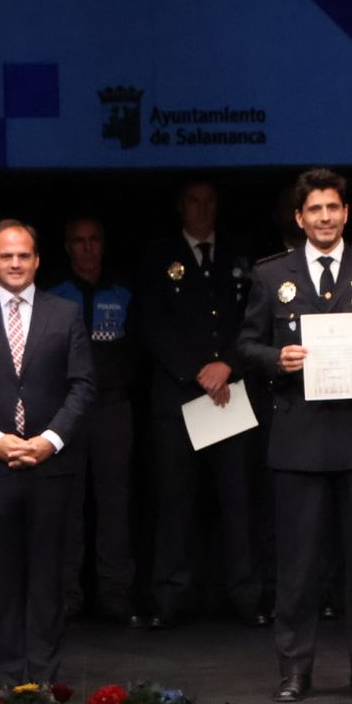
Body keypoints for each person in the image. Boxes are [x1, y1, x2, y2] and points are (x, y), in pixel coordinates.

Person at [236, 168, 352, 702]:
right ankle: (295, 670)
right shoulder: (272, 274)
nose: (325, 217)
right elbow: (245, 346)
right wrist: (275, 359)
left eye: (333, 208)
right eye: (314, 210)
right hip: (299, 439)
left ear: (346, 213)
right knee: (297, 565)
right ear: (299, 217)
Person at [0, 220, 96, 686]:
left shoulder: (64, 313)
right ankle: (8, 679)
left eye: (23, 255)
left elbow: (84, 386)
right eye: (5, 256)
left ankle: (44, 678)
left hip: (51, 465)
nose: (14, 263)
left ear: (37, 260)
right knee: (0, 578)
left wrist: (50, 440)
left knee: (48, 578)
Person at [136, 180, 264, 629]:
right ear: (179, 207)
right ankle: (169, 598)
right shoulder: (157, 256)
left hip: (229, 394)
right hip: (179, 397)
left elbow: (255, 318)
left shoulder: (240, 254)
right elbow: (148, 323)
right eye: (193, 200)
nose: (201, 209)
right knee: (175, 500)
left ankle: (247, 596)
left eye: (209, 201)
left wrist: (226, 364)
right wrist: (197, 369)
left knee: (238, 499)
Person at [46, 216, 141, 624]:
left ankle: (115, 595)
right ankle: (67, 595)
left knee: (115, 504)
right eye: (78, 241)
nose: (87, 248)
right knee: (67, 506)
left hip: (113, 408)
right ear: (67, 247)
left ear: (103, 244)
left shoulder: (123, 292)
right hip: (66, 411)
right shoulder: (53, 295)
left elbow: (138, 351)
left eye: (94, 240)